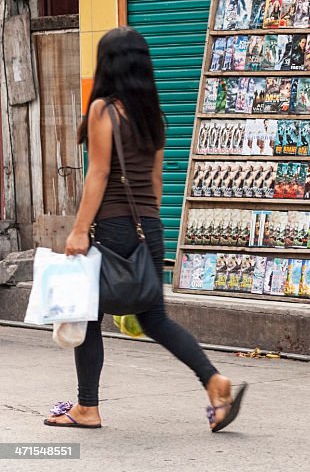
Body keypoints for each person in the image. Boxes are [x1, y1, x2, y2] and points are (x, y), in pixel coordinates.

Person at [45, 27, 246, 433]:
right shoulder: (154, 116)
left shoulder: (104, 110)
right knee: (154, 318)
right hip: (149, 226)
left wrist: (80, 230)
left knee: (86, 316)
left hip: (114, 227)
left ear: (109, 64)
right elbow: (154, 185)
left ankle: (87, 407)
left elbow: (98, 175)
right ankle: (214, 382)